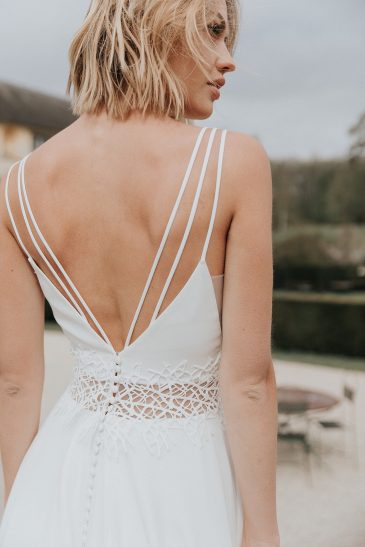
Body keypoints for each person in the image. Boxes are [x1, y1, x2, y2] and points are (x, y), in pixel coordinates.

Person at [0, 0, 280, 545]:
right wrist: (263, 533)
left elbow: (13, 382)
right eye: (216, 31)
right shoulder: (236, 164)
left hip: (52, 478)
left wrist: (18, 503)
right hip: (186, 481)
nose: (228, 60)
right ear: (160, 23)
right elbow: (249, 382)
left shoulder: (15, 189)